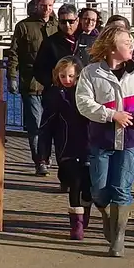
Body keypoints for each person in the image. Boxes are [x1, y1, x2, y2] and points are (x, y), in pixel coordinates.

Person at [75, 23, 134, 257]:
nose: (132, 46)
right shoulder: (91, 73)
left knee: (122, 189)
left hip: (131, 141)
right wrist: (111, 115)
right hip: (101, 140)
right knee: (100, 190)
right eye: (127, 43)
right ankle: (105, 213)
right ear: (113, 47)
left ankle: (119, 238)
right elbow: (83, 103)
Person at [41, 57, 92, 240]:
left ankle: (85, 211)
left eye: (71, 75)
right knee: (75, 183)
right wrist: (44, 153)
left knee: (88, 186)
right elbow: (46, 125)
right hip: (66, 147)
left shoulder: (87, 93)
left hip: (88, 145)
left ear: (78, 75)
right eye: (63, 76)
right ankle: (76, 224)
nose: (67, 80)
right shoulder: (55, 95)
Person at [7, 0, 58, 175]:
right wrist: (12, 76)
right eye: (44, 6)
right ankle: (40, 160)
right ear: (37, 5)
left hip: (54, 84)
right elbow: (13, 53)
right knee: (35, 124)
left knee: (52, 124)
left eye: (50, 6)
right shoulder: (24, 27)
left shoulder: (58, 26)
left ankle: (48, 154)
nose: (47, 9)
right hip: (31, 82)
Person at [31, 6, 80, 184]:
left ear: (77, 20)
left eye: (71, 21)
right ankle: (63, 173)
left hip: (81, 95)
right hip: (56, 95)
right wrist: (52, 83)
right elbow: (38, 69)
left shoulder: (83, 39)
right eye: (63, 21)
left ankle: (77, 175)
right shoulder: (51, 42)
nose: (67, 25)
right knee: (58, 134)